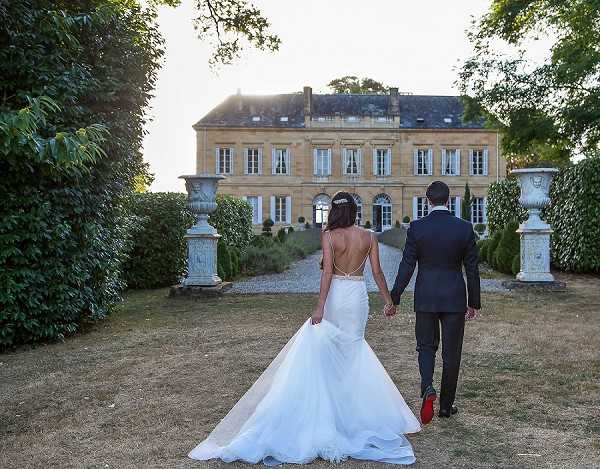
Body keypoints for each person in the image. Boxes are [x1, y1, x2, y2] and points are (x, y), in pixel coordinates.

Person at [189, 191, 420, 466]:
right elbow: (378, 273)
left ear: (334, 211)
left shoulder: (330, 236)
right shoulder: (368, 236)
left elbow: (326, 274)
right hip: (357, 297)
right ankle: (352, 414)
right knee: (353, 351)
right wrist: (388, 301)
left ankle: (333, 412)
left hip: (336, 295)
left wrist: (320, 307)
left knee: (328, 353)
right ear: (354, 211)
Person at [390, 181, 481, 425]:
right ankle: (446, 406)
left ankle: (428, 386)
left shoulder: (417, 228)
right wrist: (474, 302)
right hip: (454, 297)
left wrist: (395, 295)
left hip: (426, 296)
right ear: (448, 200)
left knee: (426, 346)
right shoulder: (464, 228)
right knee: (452, 354)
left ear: (428, 200)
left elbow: (407, 265)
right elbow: (472, 269)